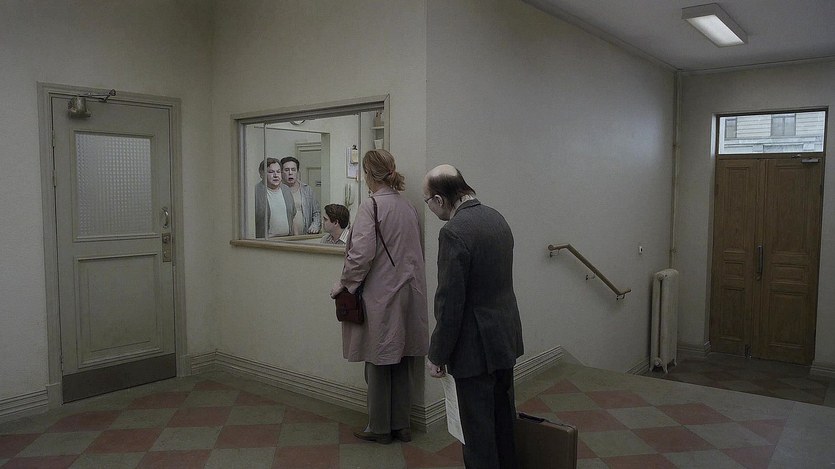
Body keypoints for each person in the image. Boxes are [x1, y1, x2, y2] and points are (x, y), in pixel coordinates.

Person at [423, 164, 524, 469]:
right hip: (504, 339)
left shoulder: (453, 232)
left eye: (428, 202)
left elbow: (449, 303)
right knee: (504, 424)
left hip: (474, 350)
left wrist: (438, 354)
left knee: (478, 436)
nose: (430, 208)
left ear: (439, 199)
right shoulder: (496, 218)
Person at [329, 150, 429, 445]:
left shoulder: (371, 207)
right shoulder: (408, 207)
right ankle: (402, 425)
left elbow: (360, 256)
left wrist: (344, 284)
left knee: (379, 360)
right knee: (403, 358)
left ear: (368, 174)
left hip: (382, 295)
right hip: (410, 292)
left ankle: (380, 428)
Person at [254, 157, 295, 238]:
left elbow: (293, 213)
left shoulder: (286, 190)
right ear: (261, 174)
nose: (276, 175)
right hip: (265, 241)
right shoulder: (255, 191)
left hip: (287, 239)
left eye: (278, 172)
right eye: (271, 172)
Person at [280, 156, 321, 234]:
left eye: (293, 169)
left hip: (305, 234)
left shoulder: (307, 190)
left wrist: (315, 225)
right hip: (284, 235)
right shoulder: (278, 190)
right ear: (281, 172)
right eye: (287, 170)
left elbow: (316, 212)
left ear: (297, 172)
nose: (290, 173)